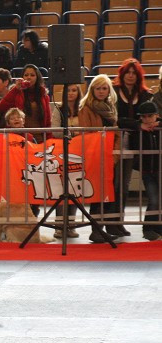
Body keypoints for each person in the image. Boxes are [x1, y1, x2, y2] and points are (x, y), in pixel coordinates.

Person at [112, 58, 153, 238]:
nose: (130, 75)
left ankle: (118, 222)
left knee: (124, 185)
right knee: (115, 184)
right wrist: (137, 125)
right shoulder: (113, 91)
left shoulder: (144, 94)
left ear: (138, 76)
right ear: (122, 74)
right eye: (127, 72)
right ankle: (112, 223)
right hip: (116, 142)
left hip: (135, 145)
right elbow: (116, 119)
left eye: (133, 73)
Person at [78, 74, 120, 244]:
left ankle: (99, 229)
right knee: (98, 195)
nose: (101, 91)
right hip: (95, 155)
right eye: (98, 88)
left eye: (104, 88)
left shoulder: (111, 107)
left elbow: (116, 133)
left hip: (111, 155)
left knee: (107, 194)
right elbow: (87, 134)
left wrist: (115, 153)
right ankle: (96, 230)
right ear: (92, 90)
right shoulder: (86, 108)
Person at [50, 84, 83, 238]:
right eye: (68, 90)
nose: (71, 93)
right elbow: (55, 130)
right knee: (61, 189)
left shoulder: (82, 108)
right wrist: (72, 133)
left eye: (74, 90)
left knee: (76, 189)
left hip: (80, 152)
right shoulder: (58, 109)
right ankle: (59, 225)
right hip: (61, 152)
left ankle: (71, 224)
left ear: (79, 92)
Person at [132, 102, 161, 241]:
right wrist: (139, 126)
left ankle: (158, 227)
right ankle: (148, 227)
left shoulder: (159, 128)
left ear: (157, 116)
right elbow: (122, 122)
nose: (147, 119)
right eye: (144, 117)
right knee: (153, 199)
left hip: (159, 168)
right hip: (147, 171)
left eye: (150, 116)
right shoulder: (138, 129)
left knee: (159, 199)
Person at [0, 64, 51, 136]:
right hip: (20, 137)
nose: (29, 77)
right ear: (22, 77)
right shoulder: (15, 91)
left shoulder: (44, 95)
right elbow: (2, 106)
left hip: (40, 138)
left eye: (32, 75)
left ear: (37, 77)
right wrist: (15, 89)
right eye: (26, 75)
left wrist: (48, 138)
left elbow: (47, 120)